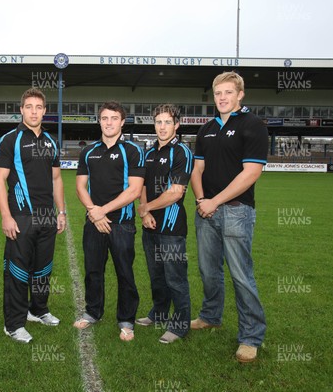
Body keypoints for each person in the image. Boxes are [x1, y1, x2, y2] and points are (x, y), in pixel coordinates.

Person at [190, 71, 268, 363]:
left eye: (228, 92)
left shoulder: (253, 126)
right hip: (205, 210)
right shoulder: (206, 129)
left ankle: (250, 337)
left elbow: (251, 173)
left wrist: (215, 201)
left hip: (236, 210)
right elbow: (197, 170)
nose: (222, 98)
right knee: (208, 271)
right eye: (218, 93)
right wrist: (201, 200)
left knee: (240, 275)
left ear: (240, 95)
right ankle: (210, 316)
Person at [0, 87, 66, 343]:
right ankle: (13, 324)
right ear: (21, 109)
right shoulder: (10, 140)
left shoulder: (50, 141)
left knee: (42, 269)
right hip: (21, 216)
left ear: (45, 111)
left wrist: (62, 211)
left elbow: (57, 179)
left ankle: (39, 309)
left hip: (48, 217)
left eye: (39, 107)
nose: (34, 112)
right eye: (29, 107)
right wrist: (5, 215)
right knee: (17, 271)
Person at [74, 101, 145, 342]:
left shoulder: (133, 151)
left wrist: (102, 211)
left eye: (114, 118)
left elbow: (134, 191)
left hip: (121, 224)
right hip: (93, 222)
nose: (109, 122)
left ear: (122, 122)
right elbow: (80, 187)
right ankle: (93, 312)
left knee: (124, 272)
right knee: (93, 271)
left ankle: (126, 319)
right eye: (105, 118)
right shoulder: (88, 151)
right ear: (100, 121)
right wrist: (94, 212)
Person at [135, 104, 193, 344]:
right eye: (158, 122)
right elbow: (144, 187)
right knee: (156, 275)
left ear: (176, 125)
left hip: (171, 228)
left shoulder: (181, 152)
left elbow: (176, 193)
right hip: (150, 226)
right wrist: (145, 213)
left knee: (175, 278)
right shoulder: (149, 153)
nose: (162, 126)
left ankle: (180, 325)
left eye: (167, 122)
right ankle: (159, 313)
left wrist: (146, 208)